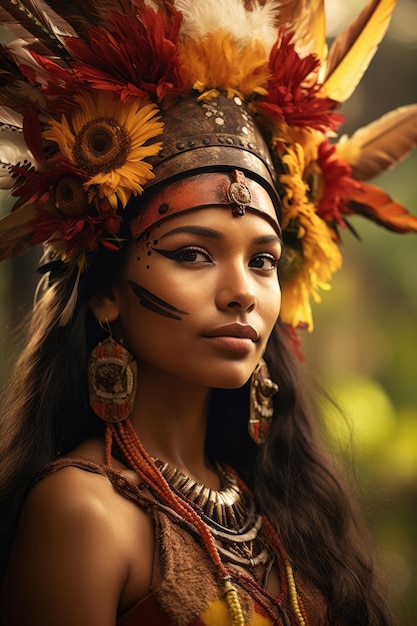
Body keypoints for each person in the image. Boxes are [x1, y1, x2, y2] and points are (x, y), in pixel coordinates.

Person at [0, 1, 416, 625]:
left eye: (264, 261)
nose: (242, 292)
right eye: (193, 253)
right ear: (106, 290)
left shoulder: (282, 504)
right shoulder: (82, 511)